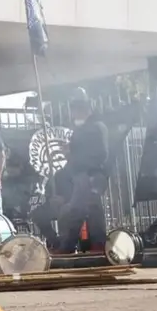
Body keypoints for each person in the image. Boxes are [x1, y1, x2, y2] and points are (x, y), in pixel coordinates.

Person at [57, 87, 109, 254]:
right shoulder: (80, 130)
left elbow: (101, 154)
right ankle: (89, 246)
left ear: (84, 108)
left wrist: (74, 156)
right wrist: (70, 154)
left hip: (91, 174)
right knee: (82, 211)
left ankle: (73, 247)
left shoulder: (96, 127)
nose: (73, 113)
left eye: (76, 108)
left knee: (84, 210)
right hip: (81, 175)